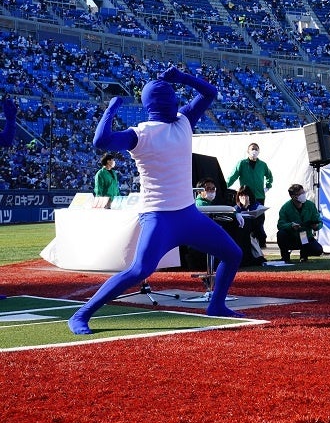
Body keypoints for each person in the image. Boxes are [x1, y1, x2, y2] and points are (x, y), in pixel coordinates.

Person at [68, 66, 243, 335]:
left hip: (186, 214)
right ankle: (81, 315)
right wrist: (181, 78)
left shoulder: (164, 126)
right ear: (164, 103)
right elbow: (99, 142)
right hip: (159, 216)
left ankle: (216, 305)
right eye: (173, 98)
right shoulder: (153, 130)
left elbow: (101, 139)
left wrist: (113, 108)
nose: (177, 102)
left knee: (233, 254)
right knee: (139, 270)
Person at [227, 142, 273, 247]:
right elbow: (233, 176)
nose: (254, 151)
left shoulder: (263, 165)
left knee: (259, 220)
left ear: (259, 151)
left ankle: (261, 241)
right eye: (252, 149)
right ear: (248, 151)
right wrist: (224, 186)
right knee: (245, 217)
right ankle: (246, 240)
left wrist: (268, 186)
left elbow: (270, 176)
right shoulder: (242, 164)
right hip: (245, 196)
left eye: (256, 149)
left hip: (259, 196)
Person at [276, 183, 323, 263]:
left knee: (318, 250)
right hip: (292, 237)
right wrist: (291, 225)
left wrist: (316, 226)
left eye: (303, 193)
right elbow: (280, 224)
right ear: (293, 196)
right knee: (281, 234)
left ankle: (304, 256)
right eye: (300, 194)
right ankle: (285, 257)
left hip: (305, 236)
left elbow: (319, 221)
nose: (303, 195)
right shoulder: (286, 208)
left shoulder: (310, 205)